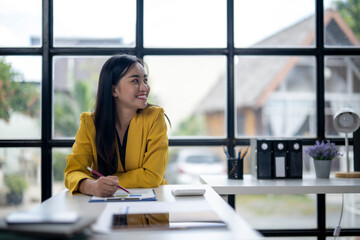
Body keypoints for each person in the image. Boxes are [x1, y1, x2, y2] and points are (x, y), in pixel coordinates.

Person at [64, 54, 169, 197]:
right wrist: (93, 186)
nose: (145, 87)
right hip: (105, 204)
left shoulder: (155, 117)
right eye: (135, 81)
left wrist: (106, 182)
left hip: (153, 204)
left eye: (145, 80)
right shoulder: (89, 123)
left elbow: (153, 175)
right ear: (114, 90)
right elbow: (73, 172)